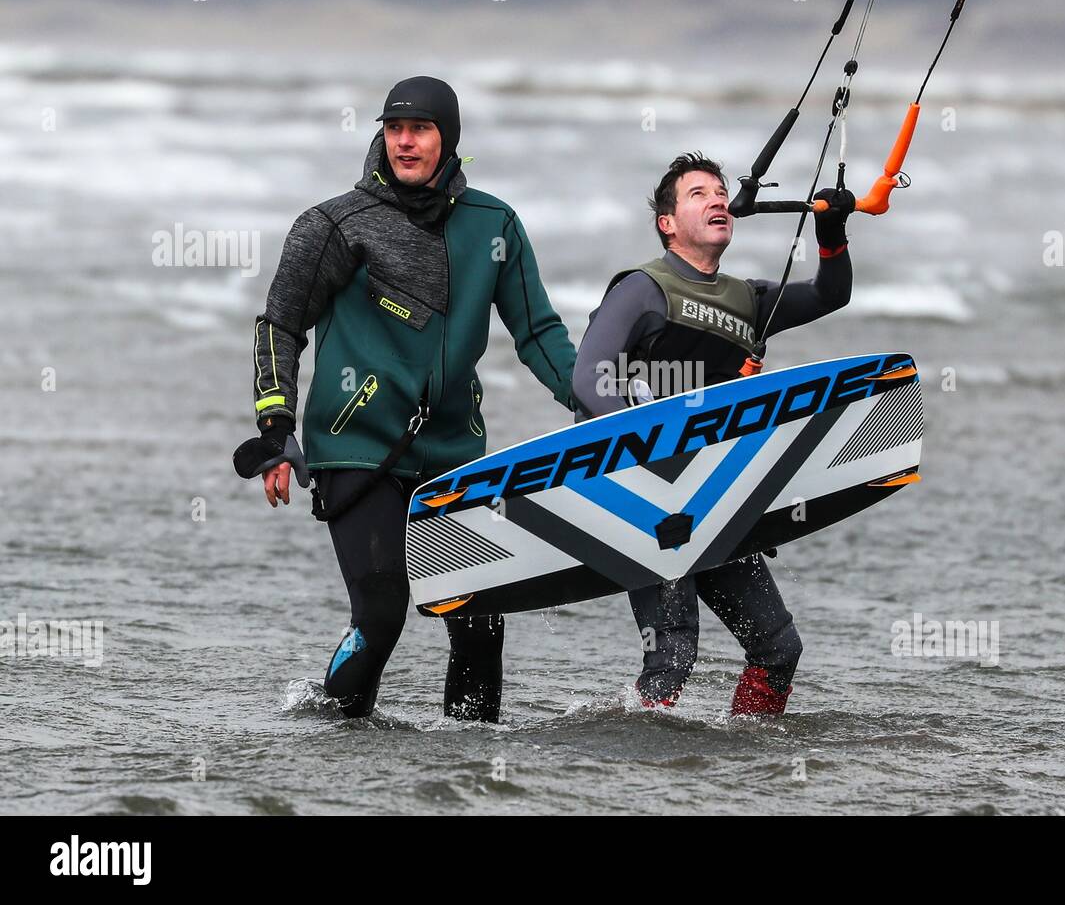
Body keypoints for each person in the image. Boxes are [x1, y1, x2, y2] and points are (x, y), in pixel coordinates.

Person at [233, 76, 576, 722]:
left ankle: (472, 761)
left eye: (419, 128)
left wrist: (592, 403)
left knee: (479, 623)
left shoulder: (494, 225)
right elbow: (280, 324)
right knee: (382, 614)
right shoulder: (334, 224)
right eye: (394, 128)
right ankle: (333, 732)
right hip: (357, 448)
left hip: (451, 450)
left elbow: (537, 331)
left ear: (448, 138)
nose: (404, 141)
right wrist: (277, 430)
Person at [571, 152, 854, 715]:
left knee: (779, 649)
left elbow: (830, 294)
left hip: (715, 497)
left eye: (721, 192)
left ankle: (747, 754)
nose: (718, 199)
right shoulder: (643, 289)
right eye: (698, 194)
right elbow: (588, 377)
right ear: (667, 223)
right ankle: (636, 764)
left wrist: (832, 231)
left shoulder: (747, 299)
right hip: (647, 498)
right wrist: (639, 455)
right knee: (673, 654)